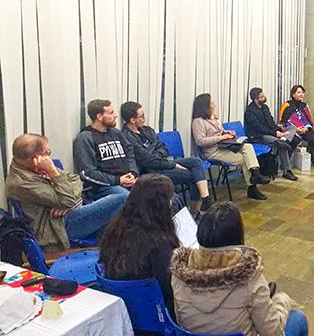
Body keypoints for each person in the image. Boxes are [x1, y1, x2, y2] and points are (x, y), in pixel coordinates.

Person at [171, 202, 309, 336]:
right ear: (237, 236)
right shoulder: (248, 276)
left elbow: (180, 322)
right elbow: (272, 332)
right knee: (298, 318)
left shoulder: (179, 273)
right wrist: (282, 302)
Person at [6, 133, 127, 251]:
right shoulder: (21, 183)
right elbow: (67, 199)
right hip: (58, 228)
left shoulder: (33, 167)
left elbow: (75, 179)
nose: (49, 155)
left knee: (117, 200)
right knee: (122, 198)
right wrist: (53, 172)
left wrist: (68, 203)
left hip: (69, 210)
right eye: (46, 152)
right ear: (35, 159)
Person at [99, 174, 179, 316]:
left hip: (126, 310)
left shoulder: (114, 228)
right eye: (170, 200)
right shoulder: (159, 244)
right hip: (158, 314)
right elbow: (170, 288)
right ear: (160, 205)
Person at [120, 101, 213, 213]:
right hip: (151, 171)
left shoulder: (148, 130)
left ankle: (206, 199)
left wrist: (155, 154)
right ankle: (195, 212)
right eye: (141, 116)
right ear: (132, 120)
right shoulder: (127, 137)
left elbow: (163, 148)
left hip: (161, 163)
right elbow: (148, 161)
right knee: (194, 176)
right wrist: (173, 164)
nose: (144, 119)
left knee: (195, 161)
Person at [191, 93, 270, 200]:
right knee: (245, 158)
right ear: (205, 106)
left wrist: (228, 132)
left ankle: (255, 174)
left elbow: (220, 131)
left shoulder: (213, 118)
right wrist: (222, 138)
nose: (214, 105)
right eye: (211, 104)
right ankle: (252, 186)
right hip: (213, 151)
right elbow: (200, 141)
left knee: (248, 147)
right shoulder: (198, 121)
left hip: (224, 146)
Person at [73, 99, 137, 199]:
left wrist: (133, 173)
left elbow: (130, 153)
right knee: (126, 197)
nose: (115, 115)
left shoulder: (116, 133)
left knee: (154, 188)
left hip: (126, 180)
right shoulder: (85, 138)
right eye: (111, 113)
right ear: (99, 116)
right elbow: (87, 172)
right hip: (102, 187)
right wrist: (117, 180)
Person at [244, 87, 298, 181]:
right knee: (281, 144)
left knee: (292, 128)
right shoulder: (249, 112)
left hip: (271, 133)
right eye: (262, 96)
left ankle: (284, 140)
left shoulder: (265, 107)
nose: (264, 97)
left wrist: (279, 130)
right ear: (256, 99)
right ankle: (287, 170)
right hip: (258, 136)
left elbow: (271, 122)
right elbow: (259, 128)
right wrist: (275, 133)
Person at [279, 84, 314, 167]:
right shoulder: (287, 105)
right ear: (293, 94)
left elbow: (309, 120)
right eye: (298, 92)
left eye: (302, 92)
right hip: (291, 129)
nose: (301, 94)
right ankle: (285, 163)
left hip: (304, 128)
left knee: (312, 138)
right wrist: (296, 129)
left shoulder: (305, 106)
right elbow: (283, 121)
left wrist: (306, 128)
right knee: (295, 140)